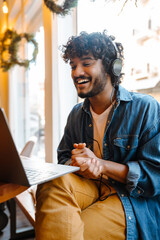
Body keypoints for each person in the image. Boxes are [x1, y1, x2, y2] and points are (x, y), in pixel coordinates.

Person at [35, 31, 160, 240]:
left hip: (129, 199)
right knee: (51, 183)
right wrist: (78, 162)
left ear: (112, 67)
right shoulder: (76, 114)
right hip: (91, 187)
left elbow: (155, 177)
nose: (77, 72)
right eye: (73, 65)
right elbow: (63, 160)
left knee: (69, 230)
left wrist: (101, 165)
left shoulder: (146, 108)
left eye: (86, 63)